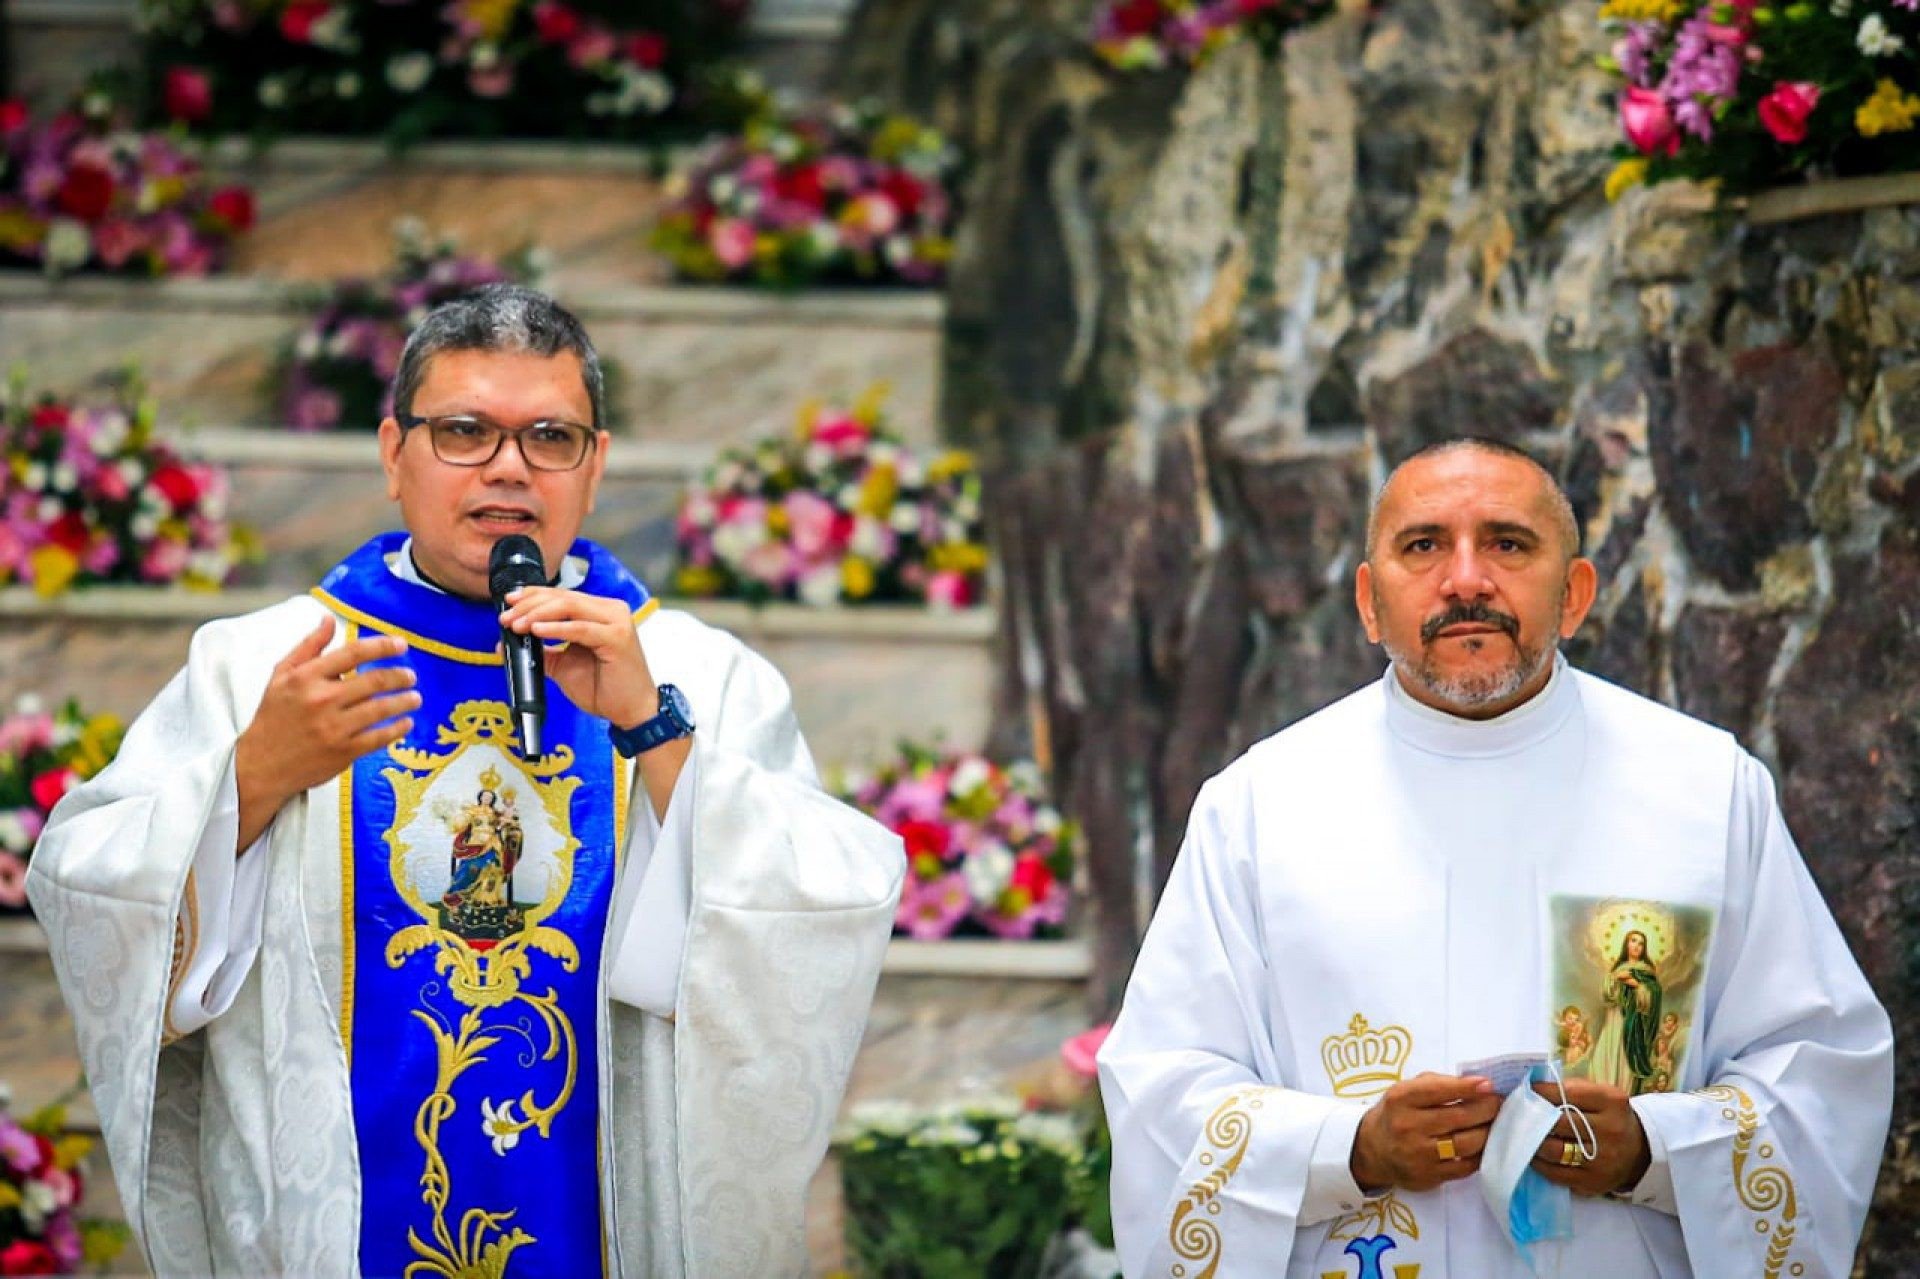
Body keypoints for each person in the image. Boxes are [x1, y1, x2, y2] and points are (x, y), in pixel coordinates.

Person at [27, 285, 905, 1278]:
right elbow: (88, 883)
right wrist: (255, 776)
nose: (509, 467)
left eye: (550, 437)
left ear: (595, 465)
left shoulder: (697, 674)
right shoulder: (261, 665)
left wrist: (654, 732)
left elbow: (817, 914)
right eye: (464, 432)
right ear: (393, 453)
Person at [1098, 438, 1892, 1277]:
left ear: (1574, 593)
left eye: (1508, 544)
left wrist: (1652, 1147)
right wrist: (1352, 1146)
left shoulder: (1706, 790)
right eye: (1424, 545)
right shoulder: (1259, 807)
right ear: (1369, 602)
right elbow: (1164, 1089)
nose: (1466, 579)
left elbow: (1819, 1070)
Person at [1588, 929, 1662, 1095]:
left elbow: (1654, 994)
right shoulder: (1618, 968)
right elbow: (1607, 995)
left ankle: (1622, 1094)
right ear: (1626, 944)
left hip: (1631, 1022)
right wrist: (1615, 978)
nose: (1636, 946)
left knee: (1623, 1057)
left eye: (1641, 943)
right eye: (1633, 941)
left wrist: (1636, 984)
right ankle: (1604, 1094)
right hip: (1613, 1018)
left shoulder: (1646, 971)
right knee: (1603, 1057)